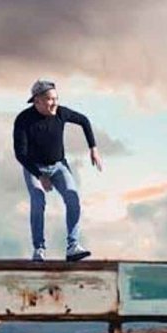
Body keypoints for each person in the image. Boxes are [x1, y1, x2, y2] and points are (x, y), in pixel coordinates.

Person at [13, 79, 102, 262]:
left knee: (73, 197)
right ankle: (39, 248)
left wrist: (93, 148)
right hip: (34, 167)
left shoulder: (61, 113)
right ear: (36, 101)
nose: (54, 103)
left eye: (56, 98)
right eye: (49, 99)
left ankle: (73, 246)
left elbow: (84, 121)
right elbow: (20, 155)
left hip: (59, 165)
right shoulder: (24, 120)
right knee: (38, 199)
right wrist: (40, 176)